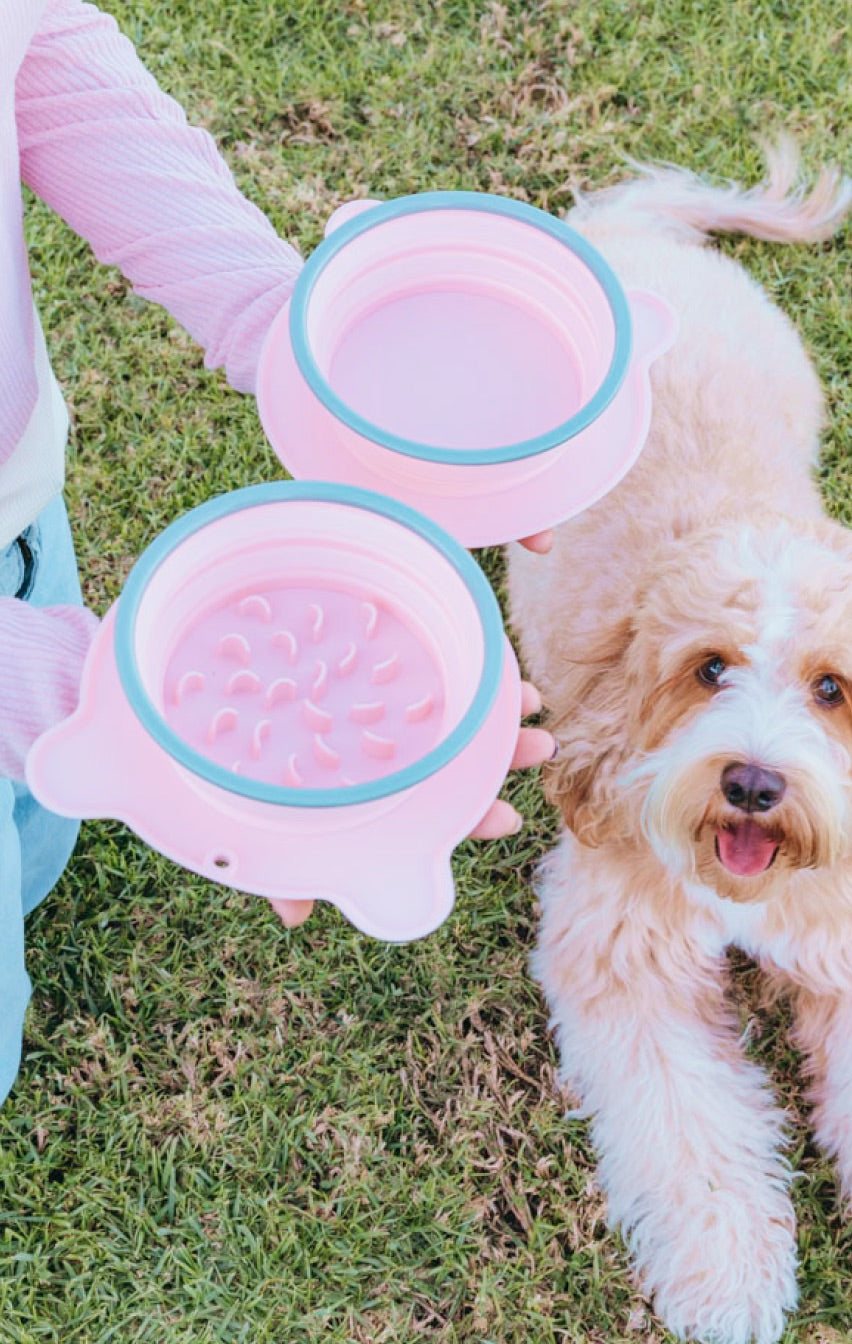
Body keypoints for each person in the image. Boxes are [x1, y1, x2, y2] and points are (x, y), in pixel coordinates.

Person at [0, 0, 553, 1109]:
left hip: (20, 513)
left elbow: (33, 41)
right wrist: (88, 703)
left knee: (39, 838)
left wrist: (285, 329)